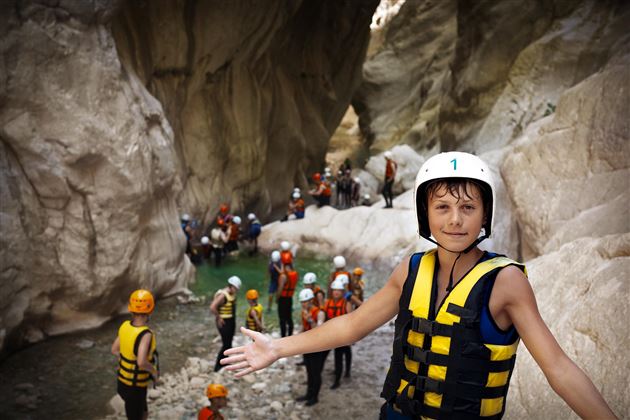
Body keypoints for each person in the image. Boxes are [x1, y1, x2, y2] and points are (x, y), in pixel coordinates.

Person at [221, 151, 617, 420]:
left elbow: (558, 367)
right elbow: (351, 325)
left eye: (468, 207)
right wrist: (276, 347)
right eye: (442, 207)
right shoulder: (410, 270)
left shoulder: (506, 281)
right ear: (426, 214)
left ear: (484, 216)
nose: (455, 220)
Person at [111, 289, 159, 420]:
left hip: (122, 383)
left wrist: (125, 359)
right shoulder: (145, 334)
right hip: (135, 387)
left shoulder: (125, 326)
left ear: (131, 309)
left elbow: (114, 350)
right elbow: (141, 362)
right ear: (150, 310)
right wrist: (154, 372)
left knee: (143, 412)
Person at [296, 288, 327, 406]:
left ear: (311, 301)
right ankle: (308, 394)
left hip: (318, 347)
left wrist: (310, 319)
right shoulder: (303, 312)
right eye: (302, 302)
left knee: (316, 372)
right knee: (309, 371)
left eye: (305, 301)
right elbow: (303, 328)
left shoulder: (320, 313)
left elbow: (319, 331)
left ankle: (315, 397)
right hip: (307, 346)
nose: (303, 304)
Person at [324, 277, 353, 389]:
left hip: (343, 335)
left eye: (338, 290)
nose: (336, 292)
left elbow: (351, 319)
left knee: (340, 355)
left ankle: (339, 378)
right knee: (337, 355)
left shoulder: (346, 303)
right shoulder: (327, 303)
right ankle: (340, 372)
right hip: (332, 334)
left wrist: (350, 336)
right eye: (334, 290)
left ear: (342, 292)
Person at [210, 276, 241, 372]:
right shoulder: (223, 295)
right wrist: (219, 317)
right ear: (231, 286)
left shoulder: (230, 293)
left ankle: (225, 361)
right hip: (224, 322)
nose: (236, 291)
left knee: (229, 343)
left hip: (230, 321)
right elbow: (212, 307)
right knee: (226, 344)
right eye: (235, 288)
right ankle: (217, 366)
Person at [277, 267, 298, 337]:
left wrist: (277, 298)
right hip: (289, 298)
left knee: (282, 319)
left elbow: (280, 288)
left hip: (283, 299)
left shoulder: (283, 276)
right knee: (289, 318)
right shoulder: (294, 273)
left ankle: (283, 337)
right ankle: (290, 335)